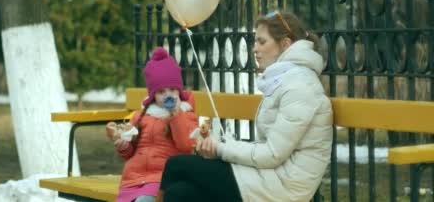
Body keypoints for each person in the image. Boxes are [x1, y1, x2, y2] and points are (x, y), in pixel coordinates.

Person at [158, 11, 333, 202]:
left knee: (176, 166)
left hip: (283, 186)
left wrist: (220, 149)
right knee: (180, 194)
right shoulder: (288, 80)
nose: (255, 49)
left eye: (262, 42)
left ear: (286, 44)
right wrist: (221, 146)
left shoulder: (300, 86)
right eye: (255, 42)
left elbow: (273, 153)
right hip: (269, 176)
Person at [106, 47, 198, 202]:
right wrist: (122, 145)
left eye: (172, 90)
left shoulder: (185, 114)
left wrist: (175, 115)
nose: (168, 95)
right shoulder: (142, 115)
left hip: (162, 181)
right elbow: (129, 152)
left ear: (179, 92)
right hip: (132, 181)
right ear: (153, 95)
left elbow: (186, 146)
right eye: (161, 92)